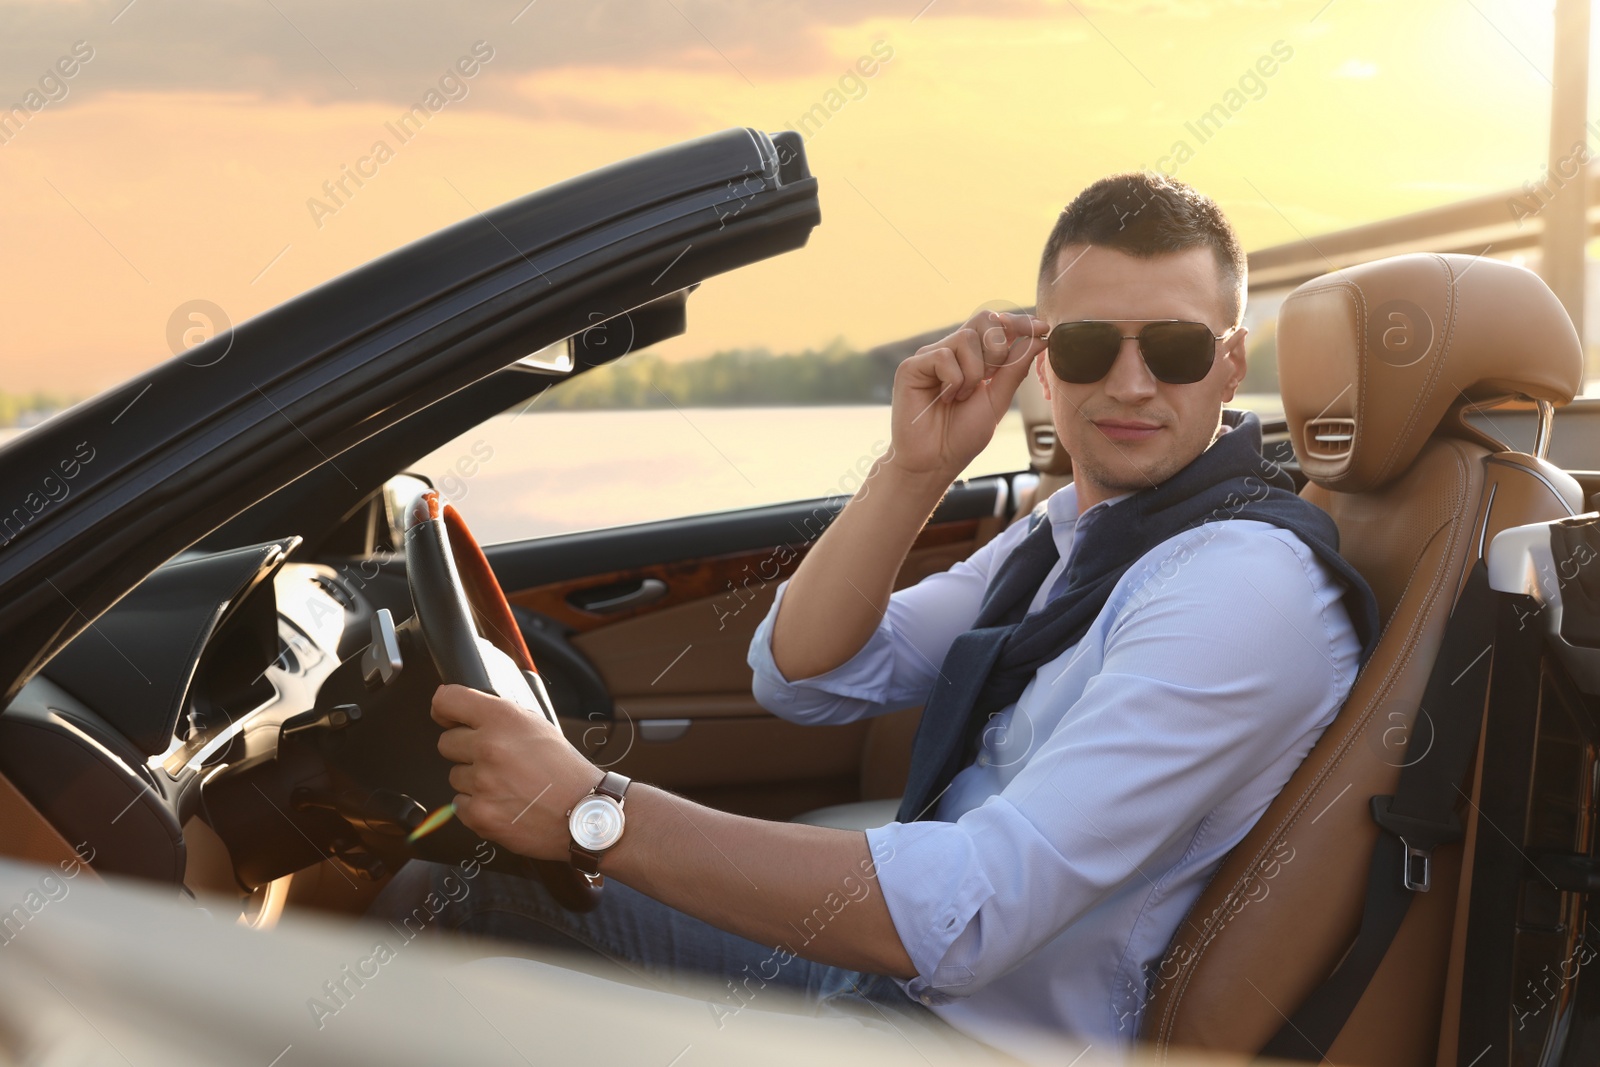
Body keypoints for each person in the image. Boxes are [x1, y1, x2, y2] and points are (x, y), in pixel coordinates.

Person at [368, 172, 1379, 1061]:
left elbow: (974, 907)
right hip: (913, 987)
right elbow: (802, 673)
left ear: (1232, 363)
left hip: (975, 1034)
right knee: (458, 881)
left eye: (1173, 345)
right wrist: (914, 468)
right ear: (1040, 361)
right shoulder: (1080, 532)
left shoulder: (1236, 585)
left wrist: (597, 809)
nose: (1128, 380)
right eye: (1083, 345)